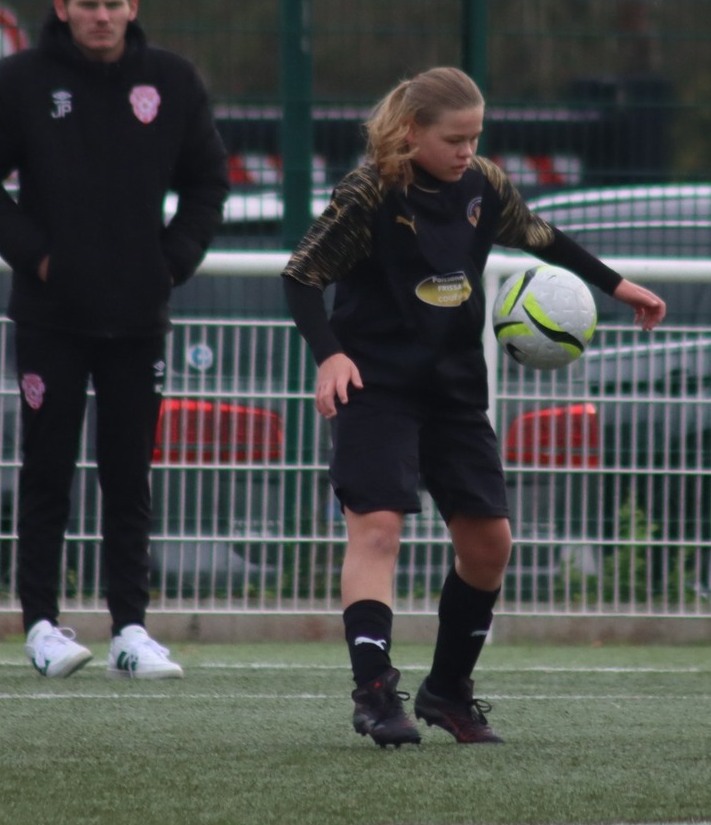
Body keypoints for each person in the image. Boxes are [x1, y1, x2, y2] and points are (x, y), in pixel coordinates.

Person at [282, 66, 666, 748]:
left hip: (454, 388)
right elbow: (302, 278)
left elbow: (540, 235)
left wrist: (616, 286)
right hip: (376, 386)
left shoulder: (483, 184)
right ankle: (375, 692)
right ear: (411, 132)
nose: (467, 151)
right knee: (377, 529)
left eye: (475, 137)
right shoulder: (370, 190)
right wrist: (330, 355)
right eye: (454, 139)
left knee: (490, 545)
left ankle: (447, 689)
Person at [0, 0, 229, 680]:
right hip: (51, 316)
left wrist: (170, 262)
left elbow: (209, 182)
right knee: (46, 471)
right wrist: (37, 255)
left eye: (113, 5)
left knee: (128, 476)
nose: (101, 17)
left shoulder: (171, 81)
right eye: (87, 5)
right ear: (62, 8)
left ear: (133, 8)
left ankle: (130, 631)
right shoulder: (22, 81)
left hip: (137, 317)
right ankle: (41, 626)